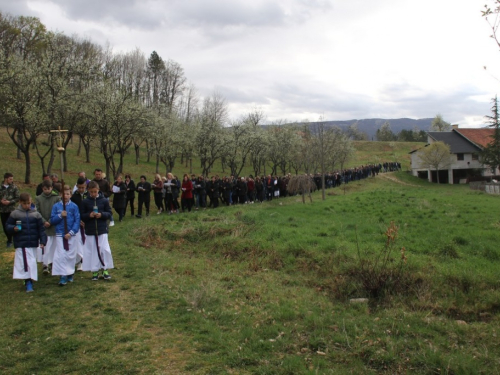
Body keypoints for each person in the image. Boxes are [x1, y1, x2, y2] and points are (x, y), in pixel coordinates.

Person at [7, 193, 47, 292]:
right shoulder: (15, 214)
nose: (27, 205)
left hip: (33, 242)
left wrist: (43, 240)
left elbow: (41, 229)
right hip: (21, 242)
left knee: (31, 262)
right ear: (20, 202)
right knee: (25, 262)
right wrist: (13, 228)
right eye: (24, 203)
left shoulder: (36, 214)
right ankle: (28, 281)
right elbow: (7, 225)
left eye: (29, 203)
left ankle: (29, 279)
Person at [81, 181, 114, 281]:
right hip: (91, 231)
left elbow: (109, 213)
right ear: (88, 191)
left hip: (102, 229)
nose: (93, 194)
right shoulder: (85, 202)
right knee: (93, 251)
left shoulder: (103, 201)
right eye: (91, 192)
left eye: (95, 192)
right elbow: (82, 215)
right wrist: (89, 215)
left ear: (98, 190)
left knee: (104, 249)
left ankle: (105, 269)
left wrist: (102, 215)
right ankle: (95, 270)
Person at [50, 185, 80, 286]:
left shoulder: (74, 207)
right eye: (63, 194)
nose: (65, 196)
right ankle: (63, 275)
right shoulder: (56, 206)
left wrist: (71, 232)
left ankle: (70, 272)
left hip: (71, 235)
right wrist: (60, 216)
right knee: (61, 255)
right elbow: (52, 220)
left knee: (70, 254)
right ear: (60, 194)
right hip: (60, 234)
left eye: (67, 194)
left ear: (70, 195)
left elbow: (77, 220)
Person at [35, 179, 61, 273]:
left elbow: (58, 211)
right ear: (42, 188)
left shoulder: (56, 198)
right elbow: (37, 211)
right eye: (45, 189)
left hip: (53, 226)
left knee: (54, 246)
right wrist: (43, 221)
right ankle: (45, 264)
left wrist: (50, 221)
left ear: (52, 188)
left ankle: (53, 262)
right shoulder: (38, 198)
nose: (47, 190)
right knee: (45, 246)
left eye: (49, 188)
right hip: (44, 227)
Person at [71, 177, 88, 272]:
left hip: (87, 223)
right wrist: (79, 220)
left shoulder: (88, 195)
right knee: (78, 243)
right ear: (77, 186)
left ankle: (87, 260)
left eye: (83, 187)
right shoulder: (74, 197)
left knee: (87, 241)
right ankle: (79, 262)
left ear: (86, 186)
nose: (81, 189)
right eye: (79, 187)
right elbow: (73, 211)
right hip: (78, 223)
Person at [1, 172, 20, 248]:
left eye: (12, 179)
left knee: (12, 225)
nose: (11, 180)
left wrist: (10, 202)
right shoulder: (0, 187)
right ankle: (9, 238)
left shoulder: (14, 187)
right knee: (4, 225)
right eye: (10, 179)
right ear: (6, 179)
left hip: (11, 210)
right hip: (2, 210)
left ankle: (11, 240)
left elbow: (17, 198)